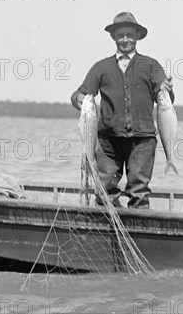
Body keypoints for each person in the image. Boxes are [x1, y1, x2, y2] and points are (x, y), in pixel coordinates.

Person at [71, 11, 174, 209]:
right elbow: (79, 94)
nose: (125, 39)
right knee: (106, 192)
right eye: (120, 35)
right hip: (108, 141)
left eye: (129, 34)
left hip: (142, 140)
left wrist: (166, 88)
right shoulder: (101, 67)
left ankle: (138, 231)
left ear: (137, 36)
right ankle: (108, 230)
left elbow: (165, 100)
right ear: (113, 37)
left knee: (139, 191)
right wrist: (80, 99)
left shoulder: (151, 65)